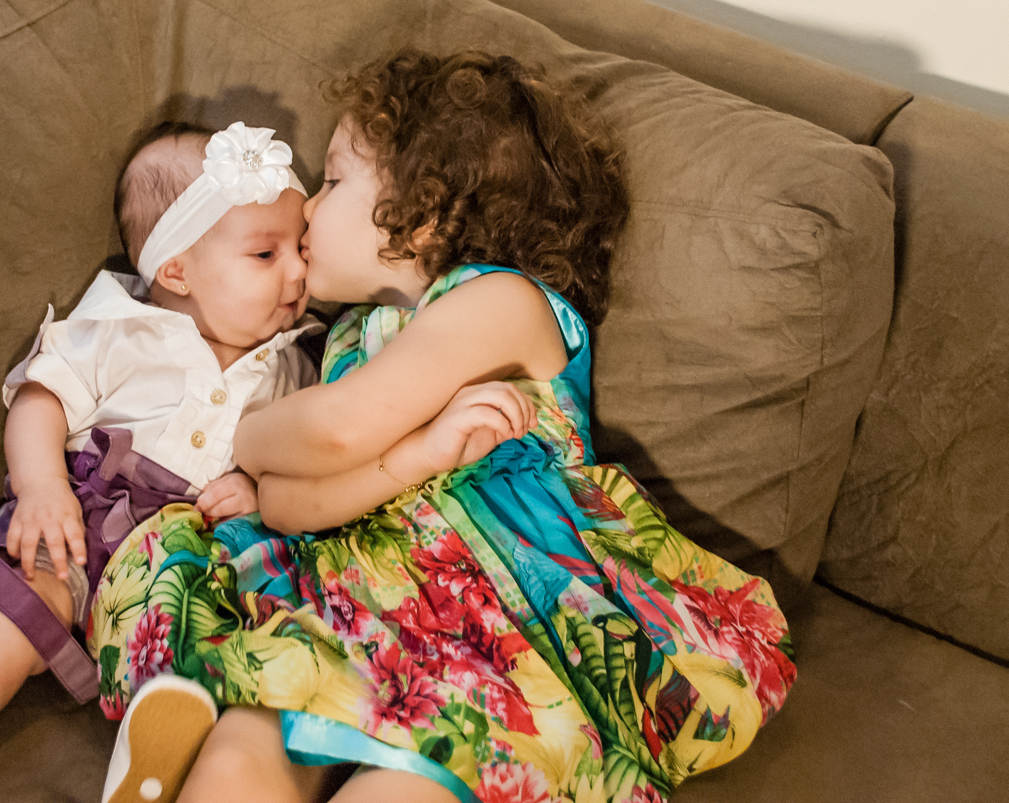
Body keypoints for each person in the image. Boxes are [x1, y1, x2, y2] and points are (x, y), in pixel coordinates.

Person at [88, 50, 798, 803]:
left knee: (421, 772)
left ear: (420, 216)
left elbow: (328, 436)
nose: (306, 206)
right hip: (345, 593)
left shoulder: (500, 301)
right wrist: (342, 454)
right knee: (248, 737)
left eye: (331, 180)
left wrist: (261, 438)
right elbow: (293, 505)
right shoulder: (349, 338)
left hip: (499, 622)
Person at [0, 120, 330, 803]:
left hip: (194, 548)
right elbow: (40, 398)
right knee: (12, 606)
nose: (299, 270)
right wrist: (41, 486)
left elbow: (305, 456)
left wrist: (258, 488)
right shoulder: (121, 327)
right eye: (266, 254)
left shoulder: (294, 363)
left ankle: (148, 758)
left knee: (207, 637)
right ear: (175, 270)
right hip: (83, 518)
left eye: (299, 247)